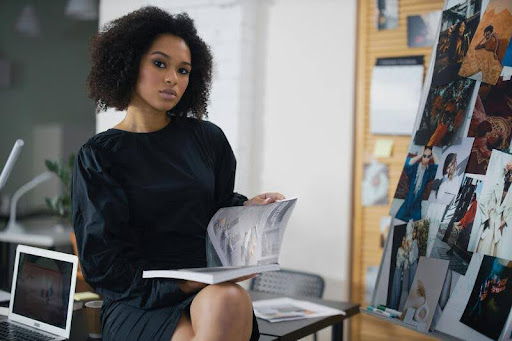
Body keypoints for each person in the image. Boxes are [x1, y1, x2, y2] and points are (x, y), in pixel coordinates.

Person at [71, 7, 284, 341]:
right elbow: (103, 265)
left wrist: (247, 208)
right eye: (160, 64)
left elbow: (217, 208)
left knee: (230, 299)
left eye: (183, 70)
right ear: (128, 63)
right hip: (136, 299)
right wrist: (186, 281)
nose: (173, 78)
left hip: (207, 287)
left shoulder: (208, 139)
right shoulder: (99, 156)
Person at [471, 160, 512, 259]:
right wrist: (486, 218)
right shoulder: (497, 185)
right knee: (483, 248)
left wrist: (504, 221)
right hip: (489, 222)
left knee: (492, 254)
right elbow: (482, 201)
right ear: (508, 173)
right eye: (511, 173)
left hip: (498, 226)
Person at [396, 146, 439, 222]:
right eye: (424, 156)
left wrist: (434, 153)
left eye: (428, 156)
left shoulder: (429, 170)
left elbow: (438, 168)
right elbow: (407, 164)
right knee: (398, 220)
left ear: (431, 157)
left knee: (415, 226)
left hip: (417, 203)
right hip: (408, 200)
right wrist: (419, 155)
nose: (425, 158)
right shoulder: (415, 166)